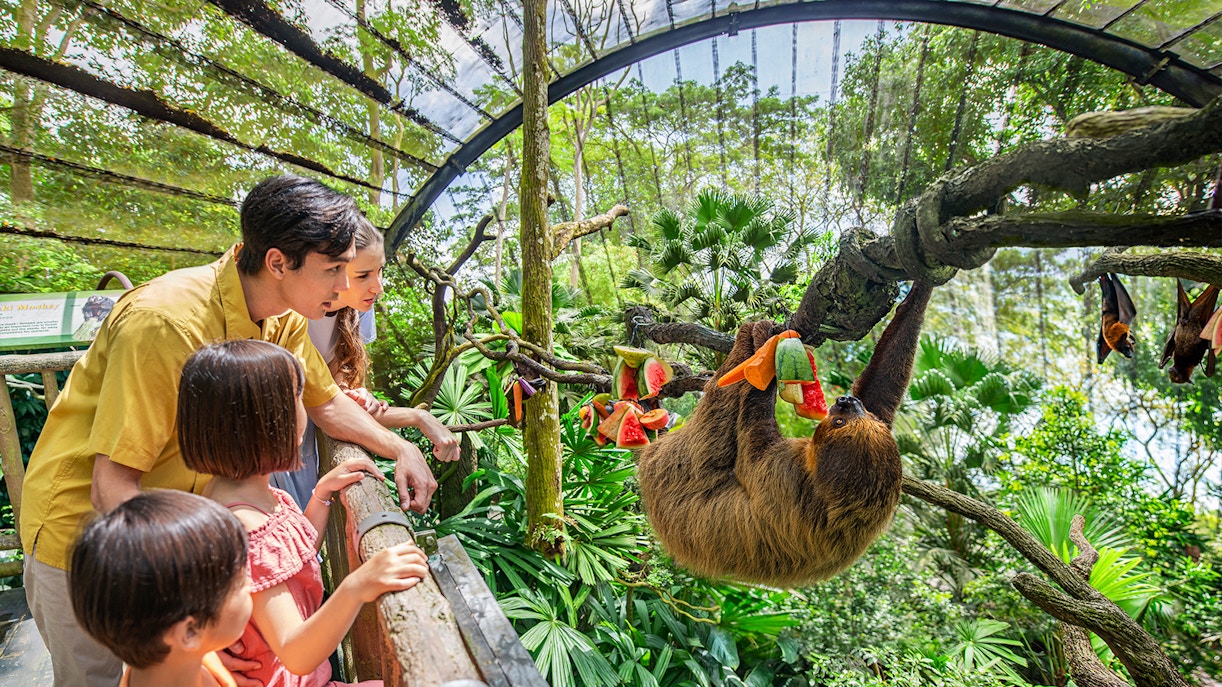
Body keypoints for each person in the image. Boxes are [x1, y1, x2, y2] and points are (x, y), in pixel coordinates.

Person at [21, 174, 453, 687]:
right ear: (277, 262)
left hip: (186, 542)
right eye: (333, 269)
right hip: (93, 542)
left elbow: (327, 403)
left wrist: (401, 445)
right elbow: (111, 488)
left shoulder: (283, 316)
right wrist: (199, 626)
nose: (345, 287)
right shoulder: (165, 324)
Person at [180, 340, 428, 687]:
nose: (307, 409)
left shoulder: (237, 496)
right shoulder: (248, 532)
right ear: (267, 421)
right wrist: (357, 585)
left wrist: (321, 495)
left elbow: (288, 568)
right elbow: (294, 653)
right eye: (299, 397)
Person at [272, 223, 459, 510]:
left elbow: (334, 400)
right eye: (362, 275)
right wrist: (405, 436)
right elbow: (326, 406)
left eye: (380, 271)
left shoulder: (359, 310)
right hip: (266, 451)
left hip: (305, 450)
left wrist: (412, 415)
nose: (378, 287)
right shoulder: (288, 314)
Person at [68, 490, 252, 687]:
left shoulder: (178, 658)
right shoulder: (186, 658)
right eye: (239, 583)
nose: (250, 583)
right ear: (190, 631)